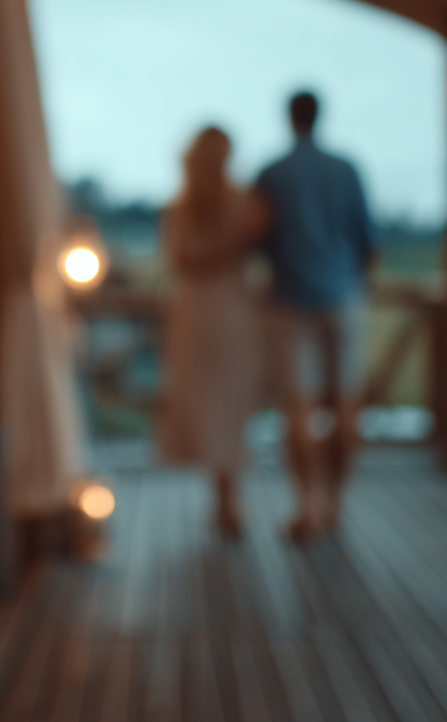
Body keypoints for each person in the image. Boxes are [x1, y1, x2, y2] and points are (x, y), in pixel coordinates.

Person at [253, 91, 376, 543]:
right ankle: (335, 504)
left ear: (288, 118)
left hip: (289, 299)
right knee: (346, 407)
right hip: (344, 295)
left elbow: (257, 239)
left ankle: (306, 505)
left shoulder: (270, 173)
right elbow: (368, 239)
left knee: (298, 409)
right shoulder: (347, 169)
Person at [158, 127, 266, 539]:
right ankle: (227, 497)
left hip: (195, 310)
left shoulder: (179, 206)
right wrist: (235, 243)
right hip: (231, 308)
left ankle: (222, 496)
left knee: (209, 399)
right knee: (229, 401)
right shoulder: (243, 205)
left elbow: (179, 260)